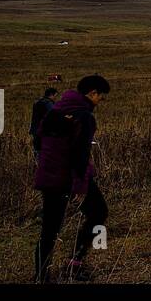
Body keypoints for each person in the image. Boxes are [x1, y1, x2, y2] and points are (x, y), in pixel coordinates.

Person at [33, 75, 110, 283]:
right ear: (92, 93)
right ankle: (75, 263)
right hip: (70, 177)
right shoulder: (85, 117)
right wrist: (79, 187)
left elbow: (38, 138)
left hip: (49, 176)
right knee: (98, 212)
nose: (100, 101)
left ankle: (41, 276)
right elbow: (80, 154)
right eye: (100, 97)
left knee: (49, 229)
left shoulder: (55, 109)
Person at [28, 87, 58, 159]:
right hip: (44, 131)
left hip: (35, 130)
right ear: (51, 95)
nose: (55, 98)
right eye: (55, 96)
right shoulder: (48, 103)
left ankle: (35, 165)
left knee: (37, 150)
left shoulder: (37, 102)